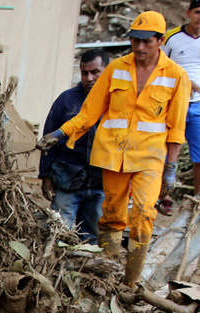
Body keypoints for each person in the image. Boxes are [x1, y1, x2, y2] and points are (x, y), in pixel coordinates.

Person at [38, 11, 191, 287]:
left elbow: (176, 127)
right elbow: (89, 113)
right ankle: (108, 277)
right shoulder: (116, 68)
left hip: (149, 157)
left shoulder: (177, 77)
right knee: (112, 215)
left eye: (146, 42)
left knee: (143, 214)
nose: (140, 48)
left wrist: (171, 167)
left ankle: (130, 283)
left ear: (161, 40)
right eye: (135, 41)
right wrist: (61, 133)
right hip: (113, 156)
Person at [39, 49, 110, 243]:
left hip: (101, 182)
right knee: (58, 234)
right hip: (67, 180)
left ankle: (83, 271)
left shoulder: (117, 102)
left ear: (108, 70)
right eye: (84, 73)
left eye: (95, 72)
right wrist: (45, 177)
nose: (89, 78)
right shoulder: (67, 100)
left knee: (92, 238)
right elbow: (48, 140)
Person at [161, 0, 200, 209]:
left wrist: (198, 88)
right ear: (188, 13)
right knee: (168, 151)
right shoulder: (172, 37)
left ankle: (198, 197)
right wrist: (186, 84)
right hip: (172, 104)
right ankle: (164, 196)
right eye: (197, 12)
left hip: (197, 104)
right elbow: (162, 66)